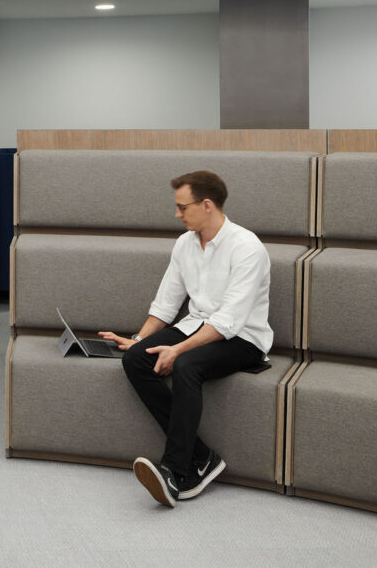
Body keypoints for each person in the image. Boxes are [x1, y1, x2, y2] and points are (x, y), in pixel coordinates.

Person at [99, 171, 271, 508]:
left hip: (243, 337)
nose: (177, 214)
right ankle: (202, 456)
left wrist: (176, 349)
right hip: (196, 325)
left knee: (187, 365)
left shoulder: (247, 248)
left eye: (182, 207)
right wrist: (139, 339)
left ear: (206, 205)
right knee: (135, 359)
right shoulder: (184, 244)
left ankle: (177, 471)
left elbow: (227, 321)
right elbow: (166, 303)